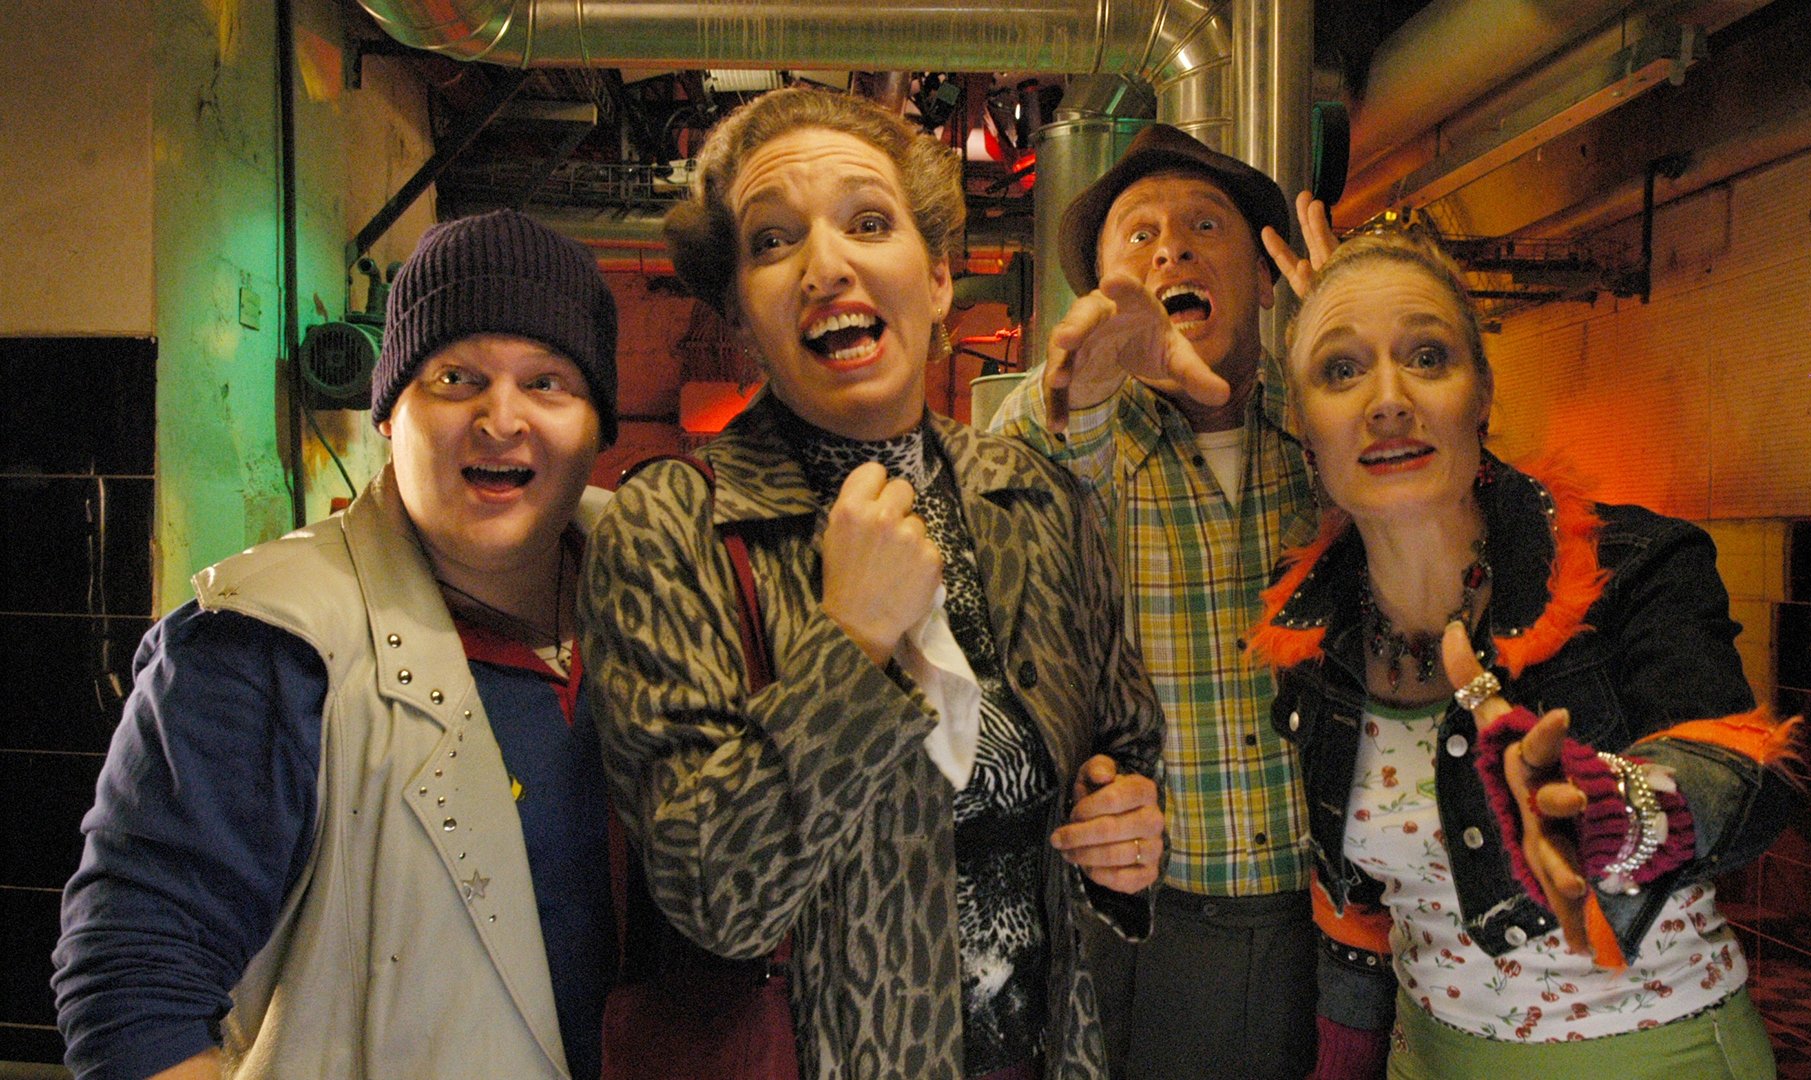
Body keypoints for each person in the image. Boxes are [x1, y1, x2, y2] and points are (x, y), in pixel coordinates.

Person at [582, 86, 1165, 1080]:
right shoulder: (669, 527)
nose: (825, 266)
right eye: (773, 242)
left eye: (867, 223)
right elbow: (716, 898)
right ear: (740, 312)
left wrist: (1129, 827)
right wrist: (850, 648)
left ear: (937, 280)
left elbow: (1123, 743)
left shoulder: (1034, 500)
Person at [51, 209, 621, 1080]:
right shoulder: (263, 644)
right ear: (390, 414)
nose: (500, 419)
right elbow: (133, 992)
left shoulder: (666, 597)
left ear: (598, 427)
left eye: (548, 383)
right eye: (455, 378)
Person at [1245, 224, 1801, 1078]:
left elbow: (1739, 776)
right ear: (1305, 428)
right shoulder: (1315, 630)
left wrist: (1617, 810)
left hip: (1649, 1056)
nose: (1388, 399)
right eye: (1341, 369)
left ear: (1481, 394)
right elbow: (1357, 911)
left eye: (1427, 356)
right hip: (1425, 1056)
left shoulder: (1633, 563)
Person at [988, 126, 1333, 1079]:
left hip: (1336, 914)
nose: (1172, 250)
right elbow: (1022, 508)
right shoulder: (1061, 420)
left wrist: (1355, 341)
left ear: (1265, 279)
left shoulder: (1321, 425)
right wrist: (1090, 388)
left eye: (1205, 226)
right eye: (1138, 236)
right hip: (1147, 919)